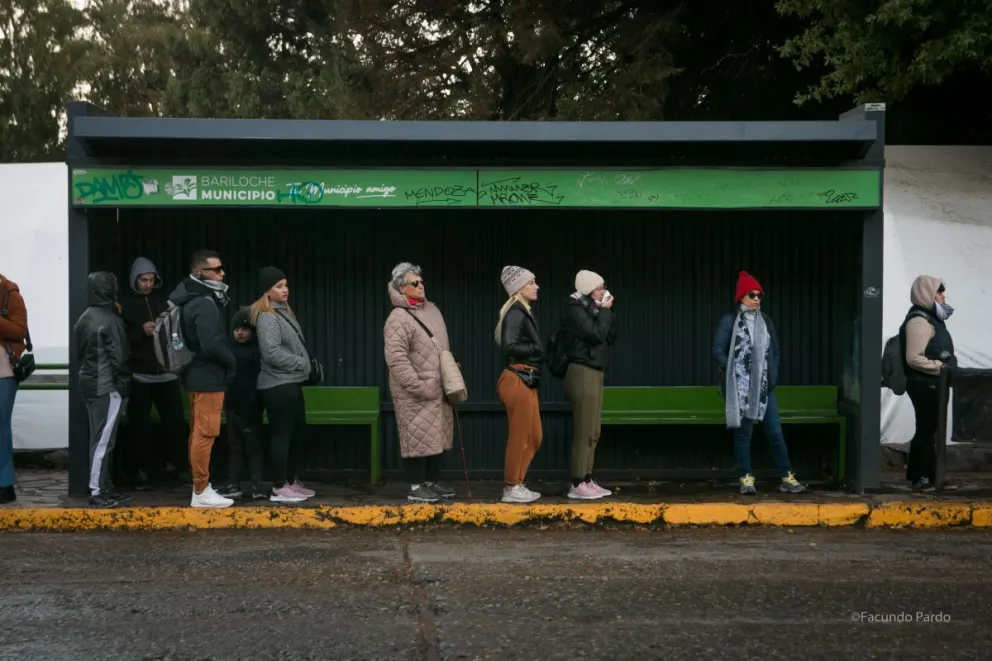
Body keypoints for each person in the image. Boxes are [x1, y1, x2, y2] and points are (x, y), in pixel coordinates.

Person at [712, 271, 807, 495]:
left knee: (775, 432)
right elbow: (718, 350)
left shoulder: (765, 321)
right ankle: (746, 478)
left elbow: (775, 350)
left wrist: (772, 376)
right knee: (744, 434)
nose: (757, 299)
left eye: (759, 295)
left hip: (763, 386)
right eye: (752, 295)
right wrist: (736, 372)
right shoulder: (729, 321)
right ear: (741, 297)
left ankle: (787, 476)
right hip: (740, 388)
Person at [383, 262, 457, 503]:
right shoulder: (398, 317)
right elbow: (396, 359)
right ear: (401, 288)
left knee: (437, 436)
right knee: (415, 437)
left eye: (422, 281)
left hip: (438, 387)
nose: (421, 286)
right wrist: (417, 385)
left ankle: (431, 483)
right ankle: (416, 487)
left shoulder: (432, 310)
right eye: (414, 283)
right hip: (415, 390)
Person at [168, 250, 237, 508]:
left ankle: (200, 486)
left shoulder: (188, 299)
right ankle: (200, 490)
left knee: (198, 430)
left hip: (195, 373)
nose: (222, 274)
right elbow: (211, 343)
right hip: (207, 376)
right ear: (200, 273)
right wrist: (231, 362)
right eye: (217, 270)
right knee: (206, 432)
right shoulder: (204, 303)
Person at [120, 257, 188, 490]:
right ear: (134, 280)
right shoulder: (125, 306)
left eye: (151, 280)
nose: (148, 284)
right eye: (143, 280)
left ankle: (181, 468)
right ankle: (142, 472)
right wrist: (140, 332)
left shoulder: (164, 303)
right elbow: (120, 340)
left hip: (167, 374)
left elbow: (178, 333)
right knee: (139, 427)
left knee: (175, 424)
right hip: (139, 375)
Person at [252, 266, 314, 503]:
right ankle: (279, 486)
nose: (285, 290)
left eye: (286, 285)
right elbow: (271, 353)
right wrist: (301, 363)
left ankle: (289, 480)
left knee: (297, 434)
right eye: (278, 286)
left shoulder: (284, 312)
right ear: (267, 291)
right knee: (282, 436)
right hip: (277, 385)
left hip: (292, 383)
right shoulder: (268, 316)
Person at [73, 272, 132, 508]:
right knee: (103, 441)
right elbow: (120, 358)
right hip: (107, 386)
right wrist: (124, 384)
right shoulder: (111, 320)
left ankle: (104, 487)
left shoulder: (84, 317)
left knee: (100, 438)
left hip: (88, 382)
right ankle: (98, 491)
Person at [561, 270, 616, 500]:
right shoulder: (574, 309)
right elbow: (596, 334)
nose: (603, 291)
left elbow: (610, 336)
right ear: (589, 289)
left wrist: (607, 311)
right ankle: (576, 482)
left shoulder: (595, 310)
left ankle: (586, 478)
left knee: (594, 429)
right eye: (599, 287)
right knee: (584, 429)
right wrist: (604, 312)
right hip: (582, 370)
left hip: (596, 369)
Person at [900, 275, 956, 492]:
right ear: (927, 295)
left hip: (934, 383)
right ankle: (920, 477)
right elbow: (914, 358)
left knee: (932, 430)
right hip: (925, 383)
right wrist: (940, 367)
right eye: (939, 292)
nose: (943, 297)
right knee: (926, 429)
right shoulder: (919, 321)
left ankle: (934, 476)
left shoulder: (932, 319)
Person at [495, 265, 544, 504]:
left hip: (526, 379)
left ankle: (518, 483)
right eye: (531, 283)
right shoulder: (515, 312)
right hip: (517, 378)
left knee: (534, 436)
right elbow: (509, 346)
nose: (536, 286)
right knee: (520, 436)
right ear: (518, 288)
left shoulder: (522, 311)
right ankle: (511, 486)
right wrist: (537, 348)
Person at [216, 307, 266, 500]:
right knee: (234, 445)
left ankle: (256, 484)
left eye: (244, 329)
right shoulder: (228, 350)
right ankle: (234, 483)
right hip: (232, 406)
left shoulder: (257, 352)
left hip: (250, 407)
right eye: (236, 329)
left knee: (253, 446)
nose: (239, 333)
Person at [0, 273, 28, 505]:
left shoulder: (10, 294)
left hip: (4, 371)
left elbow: (19, 331)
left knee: (1, 426)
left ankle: (4, 484)